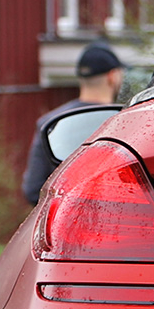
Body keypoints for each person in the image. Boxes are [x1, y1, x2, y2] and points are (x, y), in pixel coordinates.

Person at [22, 43, 124, 204]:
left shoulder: (51, 122)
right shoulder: (124, 121)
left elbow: (33, 190)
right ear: (112, 76)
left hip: (65, 225)